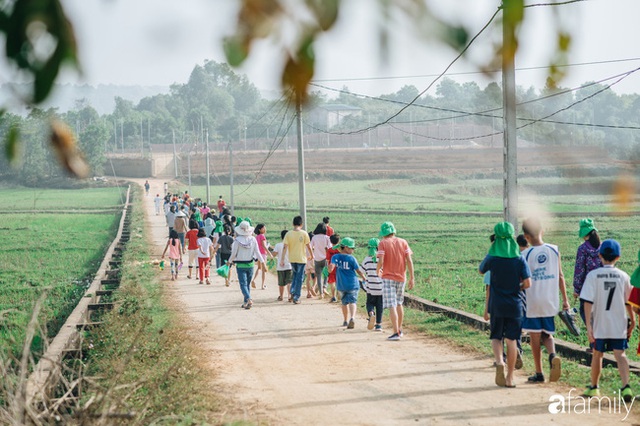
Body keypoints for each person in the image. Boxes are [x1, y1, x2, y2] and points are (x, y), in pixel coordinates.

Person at [580, 239, 634, 401]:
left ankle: (594, 387)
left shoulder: (593, 275)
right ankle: (626, 387)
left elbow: (587, 302)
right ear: (618, 257)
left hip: (600, 323)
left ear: (600, 255)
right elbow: (628, 301)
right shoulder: (623, 276)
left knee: (598, 354)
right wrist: (633, 320)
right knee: (621, 354)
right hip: (618, 322)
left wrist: (589, 326)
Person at [479, 222, 531, 388]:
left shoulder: (492, 257)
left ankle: (499, 361)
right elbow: (528, 283)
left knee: (496, 336)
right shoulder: (519, 258)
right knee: (512, 340)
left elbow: (481, 270)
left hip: (496, 304)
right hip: (515, 304)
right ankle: (509, 377)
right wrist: (517, 287)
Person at [521, 218, 569, 383]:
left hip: (533, 301)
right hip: (550, 300)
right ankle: (553, 355)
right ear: (542, 230)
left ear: (526, 236)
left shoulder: (525, 254)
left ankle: (539, 372)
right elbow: (561, 276)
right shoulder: (554, 250)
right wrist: (565, 300)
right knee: (547, 335)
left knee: (534, 338)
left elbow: (523, 280)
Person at [376, 222, 414, 341]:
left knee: (392, 305)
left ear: (383, 234)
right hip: (401, 277)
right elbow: (409, 260)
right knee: (399, 303)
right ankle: (400, 329)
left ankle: (395, 332)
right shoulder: (403, 242)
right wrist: (412, 277)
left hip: (388, 277)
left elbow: (381, 260)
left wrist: (378, 270)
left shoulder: (383, 243)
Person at [330, 237, 366, 329]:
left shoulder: (335, 257)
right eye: (352, 248)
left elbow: (331, 268)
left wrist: (330, 268)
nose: (353, 250)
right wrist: (363, 277)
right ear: (346, 247)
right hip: (352, 284)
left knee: (344, 303)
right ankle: (352, 318)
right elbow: (358, 271)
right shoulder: (351, 259)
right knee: (353, 302)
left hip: (341, 285)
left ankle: (345, 320)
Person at [228, 221, 265, 309]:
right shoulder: (253, 239)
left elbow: (233, 253)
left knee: (243, 284)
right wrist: (263, 262)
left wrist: (229, 261)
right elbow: (257, 252)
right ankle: (246, 302)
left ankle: (248, 299)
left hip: (240, 265)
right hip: (250, 264)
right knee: (247, 284)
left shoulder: (237, 241)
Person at [573, 218, 603, 327]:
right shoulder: (603, 247)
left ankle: (594, 341)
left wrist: (577, 289)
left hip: (587, 289)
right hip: (603, 288)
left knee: (587, 317)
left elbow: (579, 271)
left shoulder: (582, 249)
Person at [281, 216, 312, 304]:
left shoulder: (288, 234)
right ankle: (296, 296)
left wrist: (282, 259)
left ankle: (292, 292)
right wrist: (312, 255)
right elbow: (308, 246)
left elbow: (284, 247)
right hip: (301, 259)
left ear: (293, 224)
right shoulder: (304, 233)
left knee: (295, 276)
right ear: (301, 224)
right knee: (300, 277)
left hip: (292, 258)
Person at [362, 238, 384, 331]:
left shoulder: (366, 259)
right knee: (380, 306)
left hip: (370, 287)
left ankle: (371, 314)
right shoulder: (382, 259)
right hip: (381, 288)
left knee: (369, 303)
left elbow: (362, 270)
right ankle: (378, 325)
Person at [311, 222, 332, 299]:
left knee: (319, 276)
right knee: (326, 274)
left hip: (317, 259)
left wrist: (315, 250)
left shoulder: (314, 238)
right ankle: (324, 287)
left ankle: (321, 293)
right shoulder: (327, 238)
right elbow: (329, 247)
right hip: (325, 259)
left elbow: (310, 247)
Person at [272, 230, 292, 301]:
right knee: (289, 282)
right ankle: (289, 296)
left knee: (281, 283)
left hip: (280, 267)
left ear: (281, 237)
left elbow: (274, 254)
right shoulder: (290, 245)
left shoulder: (278, 245)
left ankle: (281, 296)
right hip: (289, 265)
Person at [251, 223, 273, 290]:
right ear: (260, 229)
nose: (265, 229)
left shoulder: (257, 237)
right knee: (263, 270)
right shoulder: (262, 236)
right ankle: (263, 285)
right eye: (263, 228)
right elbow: (264, 246)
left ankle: (254, 280)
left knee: (259, 268)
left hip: (258, 254)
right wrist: (269, 253)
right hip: (263, 254)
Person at [326, 234, 341, 303]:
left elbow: (328, 260)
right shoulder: (340, 250)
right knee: (339, 281)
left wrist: (327, 267)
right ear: (339, 241)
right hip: (339, 267)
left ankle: (333, 296)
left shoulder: (329, 250)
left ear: (331, 242)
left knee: (332, 282)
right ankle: (339, 296)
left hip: (332, 267)